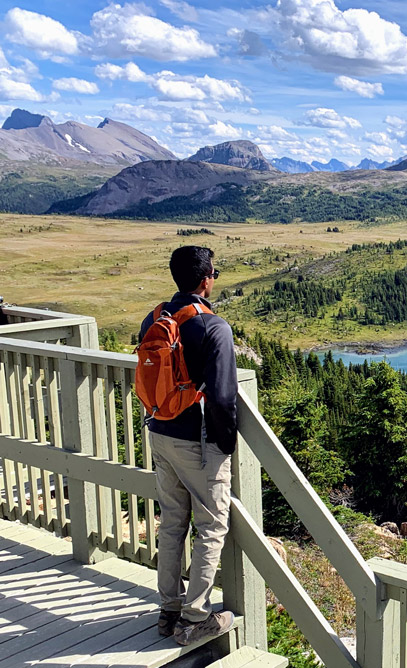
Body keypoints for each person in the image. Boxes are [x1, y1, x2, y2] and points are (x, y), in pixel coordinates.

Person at [138, 246, 237, 646]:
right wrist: (224, 446)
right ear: (206, 279)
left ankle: (168, 610)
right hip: (197, 442)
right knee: (211, 525)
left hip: (160, 431)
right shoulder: (213, 327)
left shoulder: (155, 316)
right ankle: (195, 617)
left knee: (173, 520)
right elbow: (224, 398)